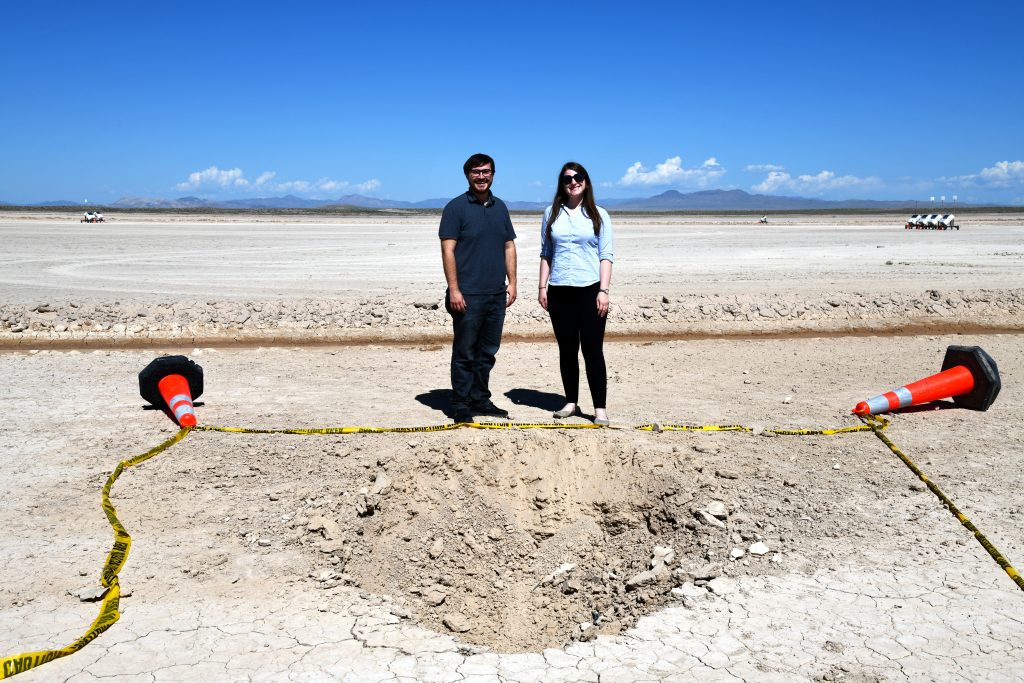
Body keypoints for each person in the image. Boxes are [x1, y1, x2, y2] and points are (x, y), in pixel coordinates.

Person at [439, 153, 518, 423]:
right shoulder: (455, 208)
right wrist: (454, 289)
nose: (481, 176)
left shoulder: (500, 207)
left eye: (486, 172)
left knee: (487, 352)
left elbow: (508, 246)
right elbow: (448, 250)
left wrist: (513, 282)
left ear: (493, 174)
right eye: (476, 172)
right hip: (467, 294)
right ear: (467, 175)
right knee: (465, 352)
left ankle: (480, 399)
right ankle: (461, 404)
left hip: (496, 293)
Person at [538, 161, 614, 425]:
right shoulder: (551, 213)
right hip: (559, 290)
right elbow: (546, 252)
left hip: (590, 289)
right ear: (562, 184)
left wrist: (603, 291)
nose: (573, 182)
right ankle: (571, 402)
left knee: (592, 349)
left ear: (586, 181)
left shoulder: (599, 215)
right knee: (567, 349)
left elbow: (606, 255)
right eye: (567, 178)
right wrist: (542, 286)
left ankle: (599, 409)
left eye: (578, 177)